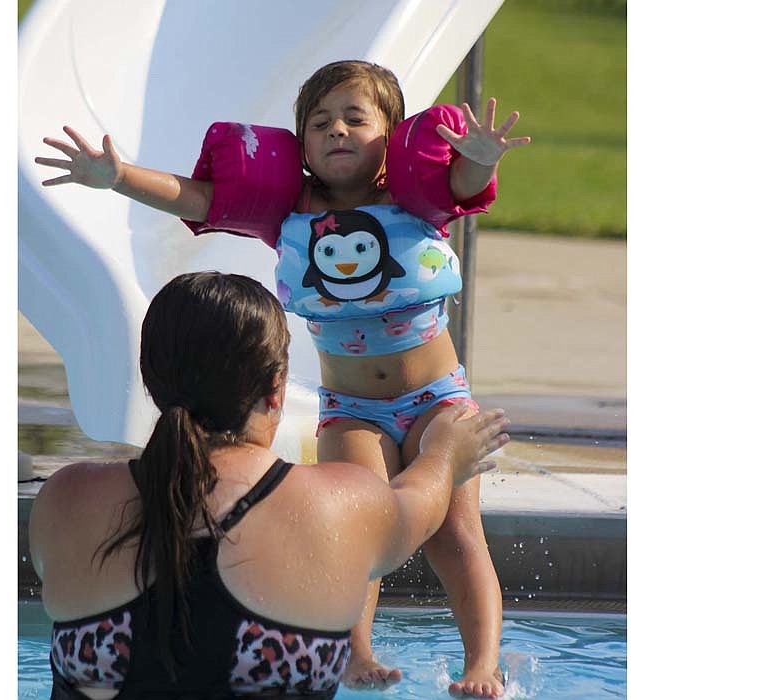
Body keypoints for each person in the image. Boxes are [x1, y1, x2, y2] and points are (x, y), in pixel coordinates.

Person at [36, 60, 530, 698]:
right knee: (353, 525)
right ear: (301, 144)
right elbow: (198, 198)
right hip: (352, 406)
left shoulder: (414, 198)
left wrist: (483, 158)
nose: (338, 131)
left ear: (392, 133)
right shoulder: (287, 213)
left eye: (356, 118)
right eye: (320, 122)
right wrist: (118, 177)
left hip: (439, 396)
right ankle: (356, 653)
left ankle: (481, 665)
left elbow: (463, 183)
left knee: (458, 536)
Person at [29, 271, 512, 699]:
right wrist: (446, 454)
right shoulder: (336, 506)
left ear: (150, 380)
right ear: (276, 389)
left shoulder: (66, 500)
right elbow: (418, 508)